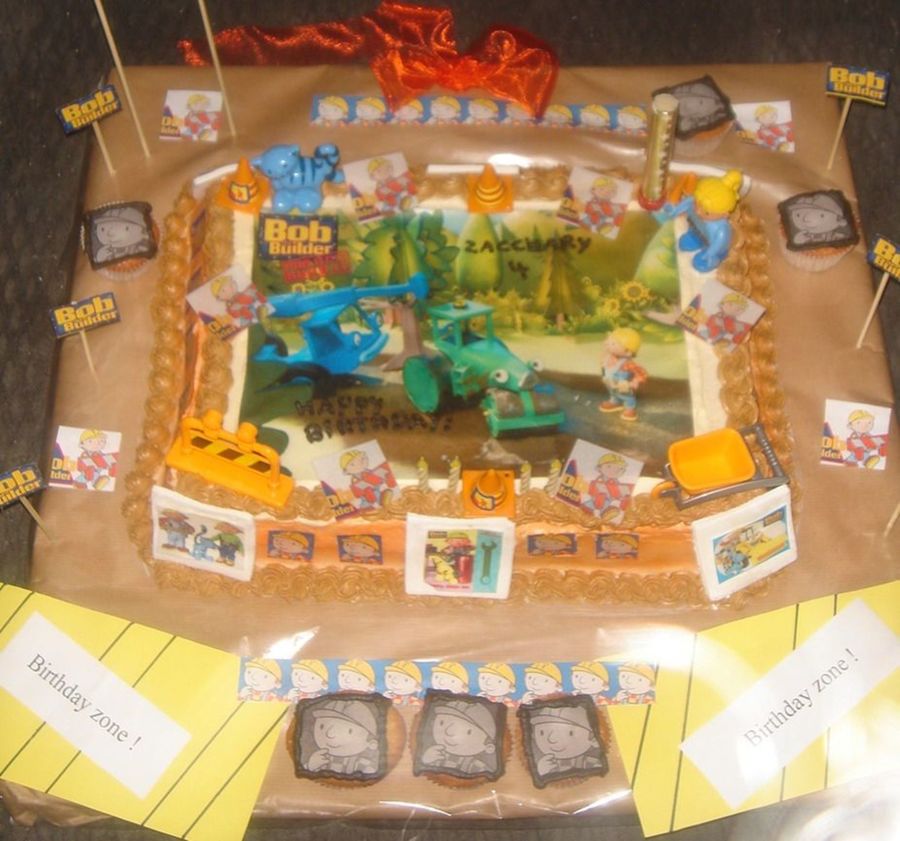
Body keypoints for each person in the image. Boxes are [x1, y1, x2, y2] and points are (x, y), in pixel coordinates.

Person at [304, 698, 380, 775]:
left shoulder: (363, 763)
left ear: (371, 743)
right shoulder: (321, 758)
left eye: (349, 731)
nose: (330, 735)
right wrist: (310, 766)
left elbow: (371, 774)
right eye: (322, 726)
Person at [421, 699, 497, 774]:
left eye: (468, 732)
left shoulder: (475, 765)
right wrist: (425, 760)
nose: (448, 732)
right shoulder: (436, 755)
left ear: (488, 747)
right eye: (442, 722)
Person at [530, 705, 604, 777]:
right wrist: (541, 771)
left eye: (570, 733)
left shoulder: (591, 763)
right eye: (542, 732)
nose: (552, 739)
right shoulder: (547, 764)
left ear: (592, 736)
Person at [599, 328, 647, 422]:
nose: (608, 345)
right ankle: (615, 402)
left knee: (627, 396)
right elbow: (603, 362)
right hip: (610, 384)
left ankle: (630, 408)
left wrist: (633, 383)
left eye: (613, 344)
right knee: (613, 393)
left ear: (628, 352)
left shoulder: (627, 363)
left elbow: (641, 374)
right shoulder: (610, 357)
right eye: (609, 342)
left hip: (622, 386)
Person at [587, 453, 634, 523]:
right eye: (609, 466)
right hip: (594, 509)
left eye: (620, 468)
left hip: (614, 513)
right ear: (599, 468)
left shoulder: (620, 485)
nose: (614, 470)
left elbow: (624, 498)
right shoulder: (596, 483)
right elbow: (591, 495)